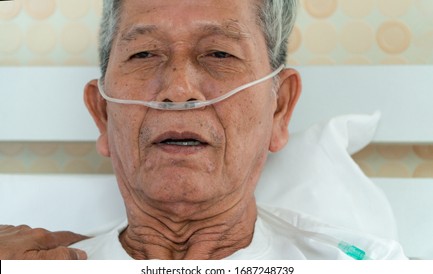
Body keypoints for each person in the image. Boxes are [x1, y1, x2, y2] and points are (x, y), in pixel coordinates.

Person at [1, 0, 407, 260]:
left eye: (219, 53)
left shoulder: (363, 265)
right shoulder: (33, 267)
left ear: (279, 109)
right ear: (102, 114)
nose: (179, 90)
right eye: (144, 53)